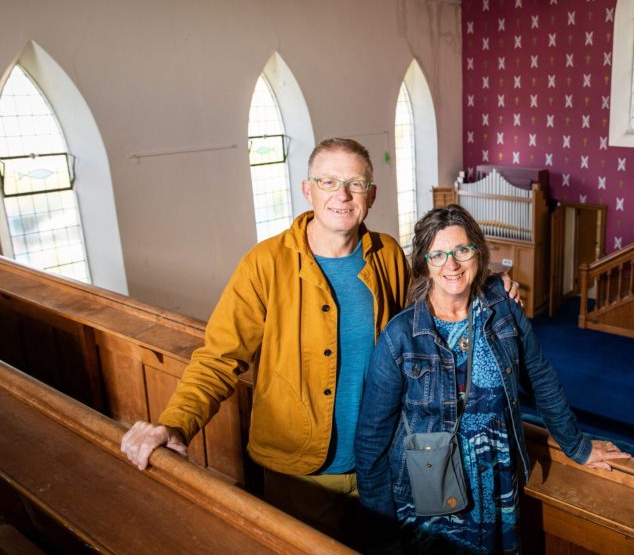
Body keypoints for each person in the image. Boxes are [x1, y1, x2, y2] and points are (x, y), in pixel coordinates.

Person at [119, 138, 518, 545]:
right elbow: (218, 359)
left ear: (371, 195)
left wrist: (492, 287)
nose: (342, 195)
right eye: (328, 182)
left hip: (381, 465)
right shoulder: (265, 264)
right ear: (307, 190)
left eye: (355, 184)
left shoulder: (388, 256)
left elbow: (434, 304)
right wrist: (174, 424)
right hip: (299, 475)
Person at [355, 204, 630, 554]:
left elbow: (541, 377)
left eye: (462, 250)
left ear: (478, 253)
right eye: (437, 254)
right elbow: (371, 440)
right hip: (429, 487)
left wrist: (577, 445)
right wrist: (382, 534)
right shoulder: (400, 336)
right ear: (424, 262)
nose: (451, 264)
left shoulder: (503, 309)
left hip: (495, 475)